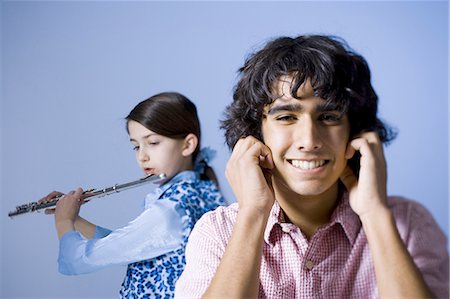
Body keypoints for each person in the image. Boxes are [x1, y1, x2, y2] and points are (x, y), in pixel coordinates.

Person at [174, 35, 449, 298]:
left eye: (328, 116)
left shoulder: (409, 223)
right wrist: (252, 214)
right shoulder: (217, 231)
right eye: (286, 117)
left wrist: (375, 214)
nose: (309, 141)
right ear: (255, 135)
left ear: (355, 134)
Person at [40, 92, 225, 298]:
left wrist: (63, 222)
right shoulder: (200, 189)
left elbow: (76, 261)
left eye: (153, 143)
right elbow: (133, 245)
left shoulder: (170, 211)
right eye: (136, 146)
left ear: (188, 144)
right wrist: (75, 219)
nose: (142, 156)